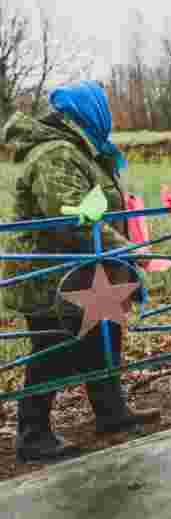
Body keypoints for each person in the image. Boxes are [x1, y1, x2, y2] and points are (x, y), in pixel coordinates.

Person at [3, 80, 161, 463]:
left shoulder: (83, 149)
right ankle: (32, 434)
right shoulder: (55, 155)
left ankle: (111, 413)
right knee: (52, 349)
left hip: (85, 269)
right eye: (103, 106)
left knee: (102, 335)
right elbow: (71, 218)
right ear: (85, 112)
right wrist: (128, 250)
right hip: (47, 275)